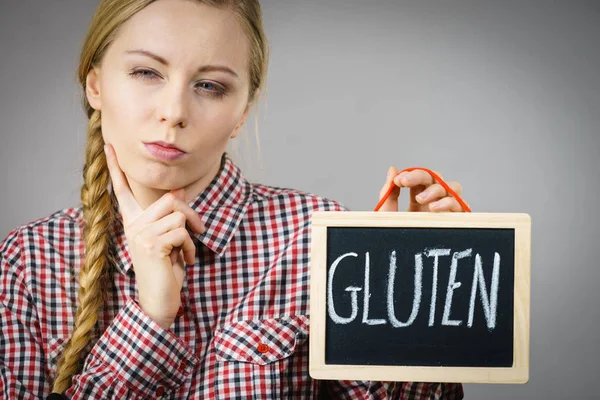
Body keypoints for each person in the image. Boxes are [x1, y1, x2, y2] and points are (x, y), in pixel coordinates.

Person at [0, 0, 467, 398]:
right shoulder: (26, 262)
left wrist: (411, 303)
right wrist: (149, 318)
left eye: (210, 86)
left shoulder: (319, 238)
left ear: (242, 111)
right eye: (146, 72)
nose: (174, 112)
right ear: (95, 84)